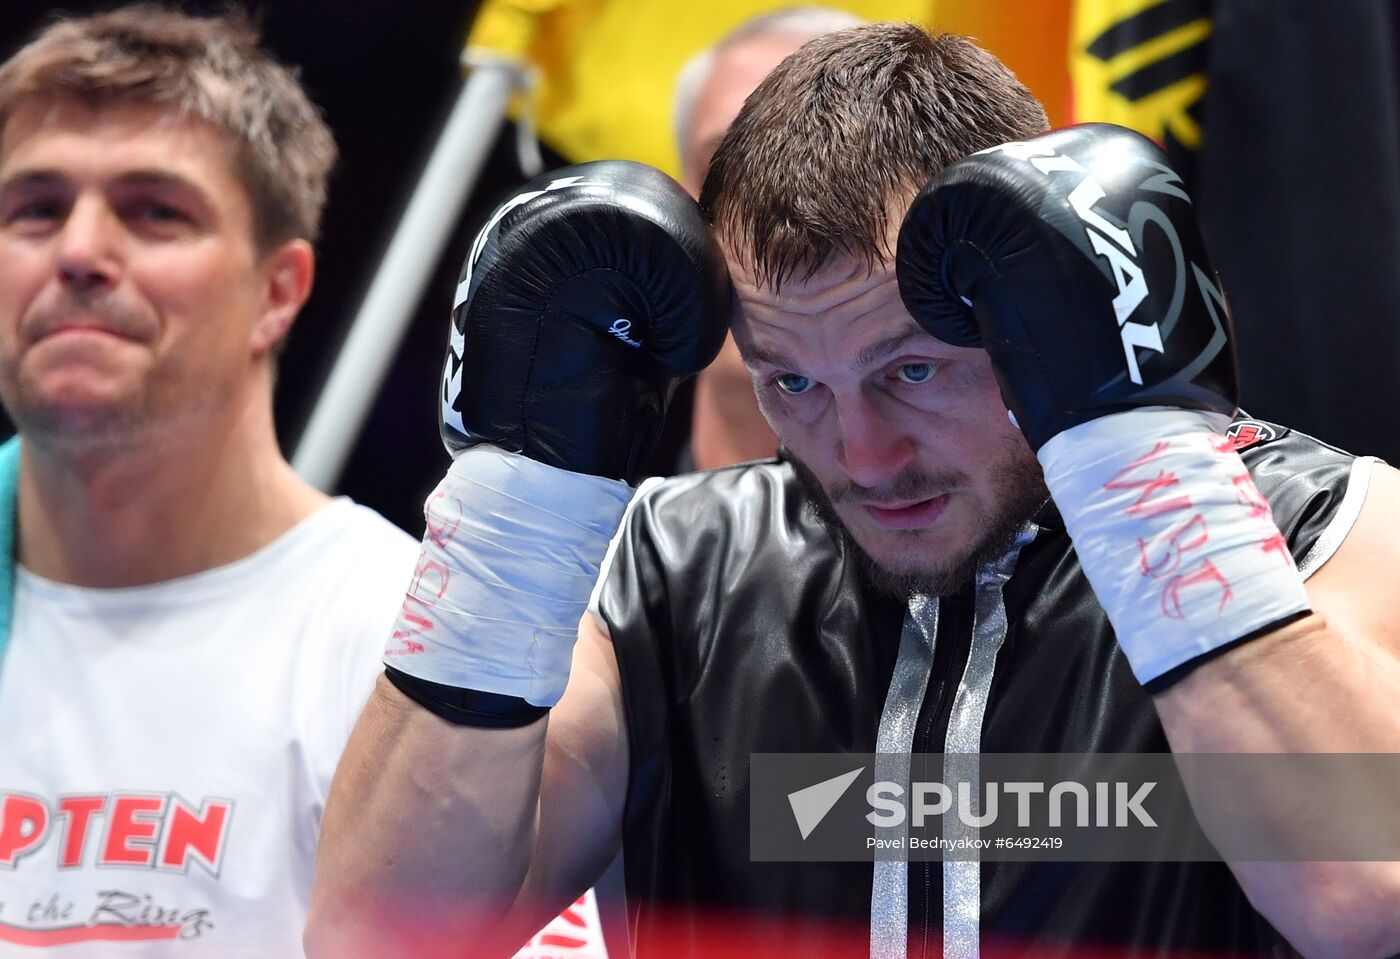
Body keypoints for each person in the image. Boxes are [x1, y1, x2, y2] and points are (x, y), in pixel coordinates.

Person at [309, 23, 1400, 959]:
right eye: (792, 381)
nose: (862, 454)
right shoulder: (672, 567)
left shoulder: (1318, 522)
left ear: (1029, 301)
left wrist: (1141, 466)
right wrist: (517, 506)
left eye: (910, 369)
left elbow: (1366, 889)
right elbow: (382, 935)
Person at [0, 7, 419, 955]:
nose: (77, 252)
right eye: (35, 208)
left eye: (155, 211)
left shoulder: (397, 644)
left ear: (278, 291)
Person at [669, 6, 863, 472]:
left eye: (822, 170)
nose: (772, 221)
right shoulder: (571, 530)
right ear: (674, 205)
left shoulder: (1061, 537)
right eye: (724, 172)